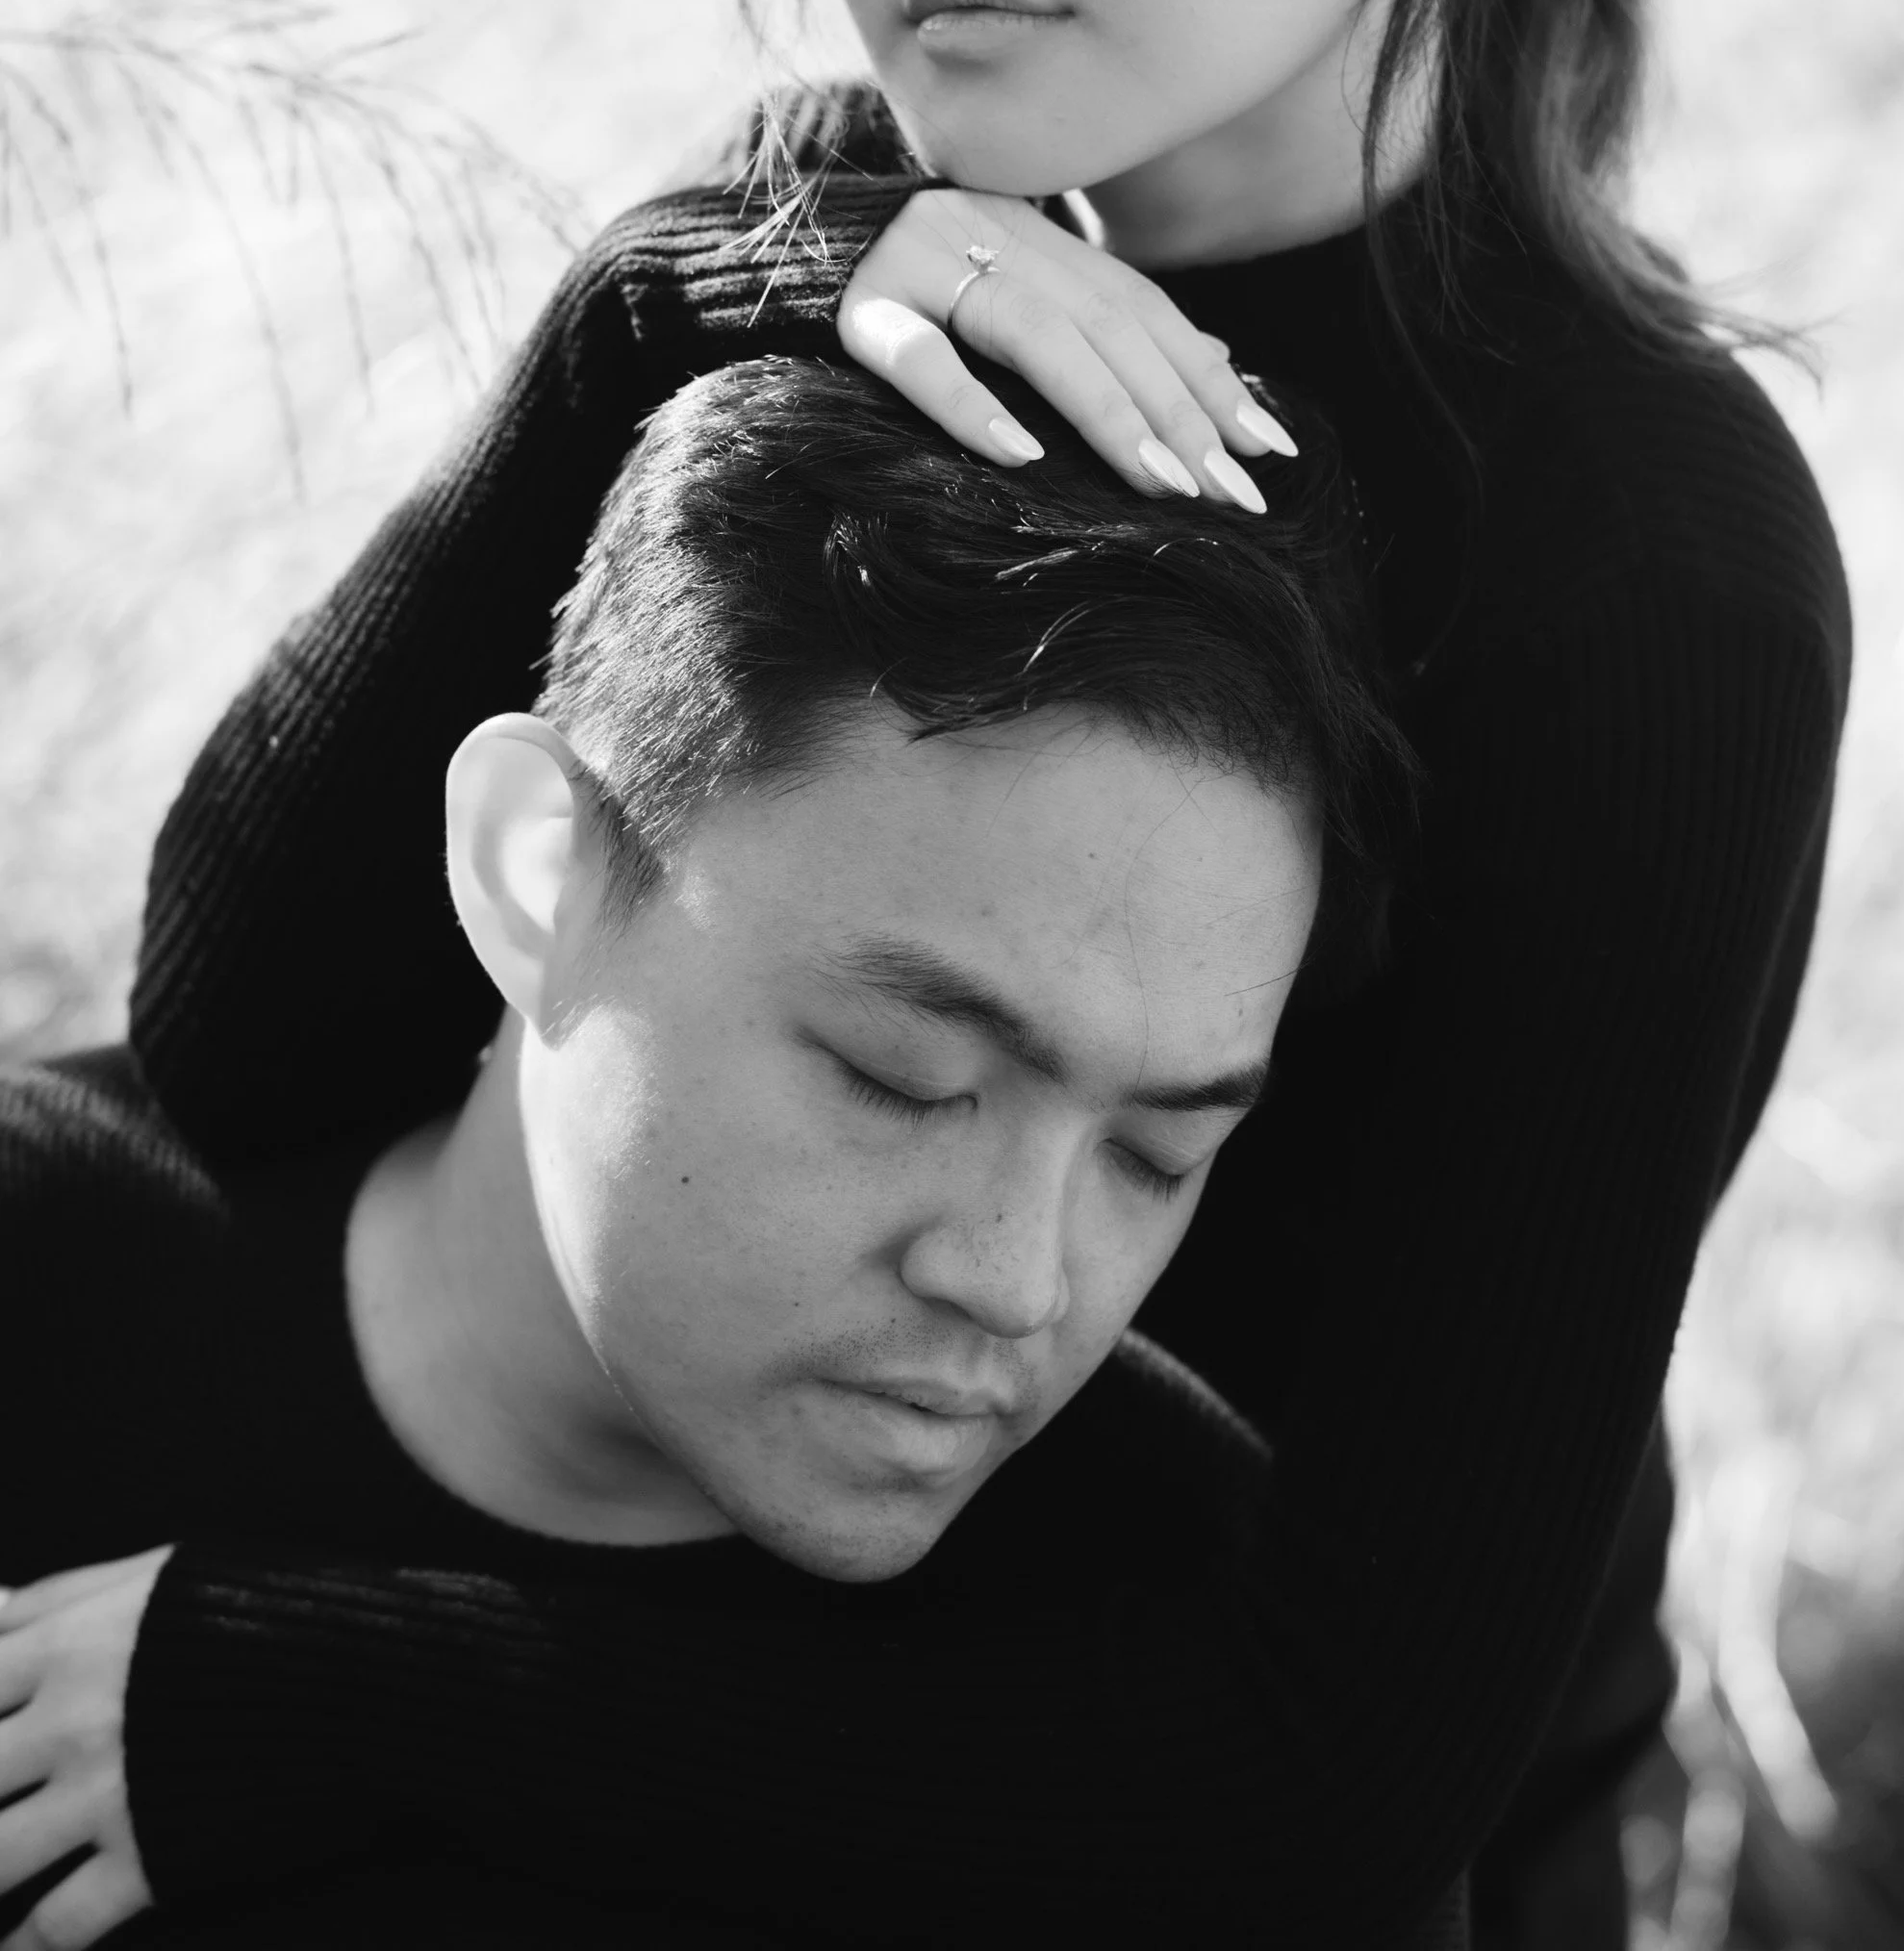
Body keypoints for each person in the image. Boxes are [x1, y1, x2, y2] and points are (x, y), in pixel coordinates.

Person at [27, 0, 1849, 1951]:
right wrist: (657, 300)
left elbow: (1323, 1775)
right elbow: (254, 1046)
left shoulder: (1647, 577)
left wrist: (322, 1694)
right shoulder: (838, 265)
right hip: (640, 1629)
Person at [0, 354, 1444, 1947]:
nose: (1020, 1284)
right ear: (541, 875)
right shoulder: (41, 1280)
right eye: (904, 1077)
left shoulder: (1222, 1699)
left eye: (1156, 1155)